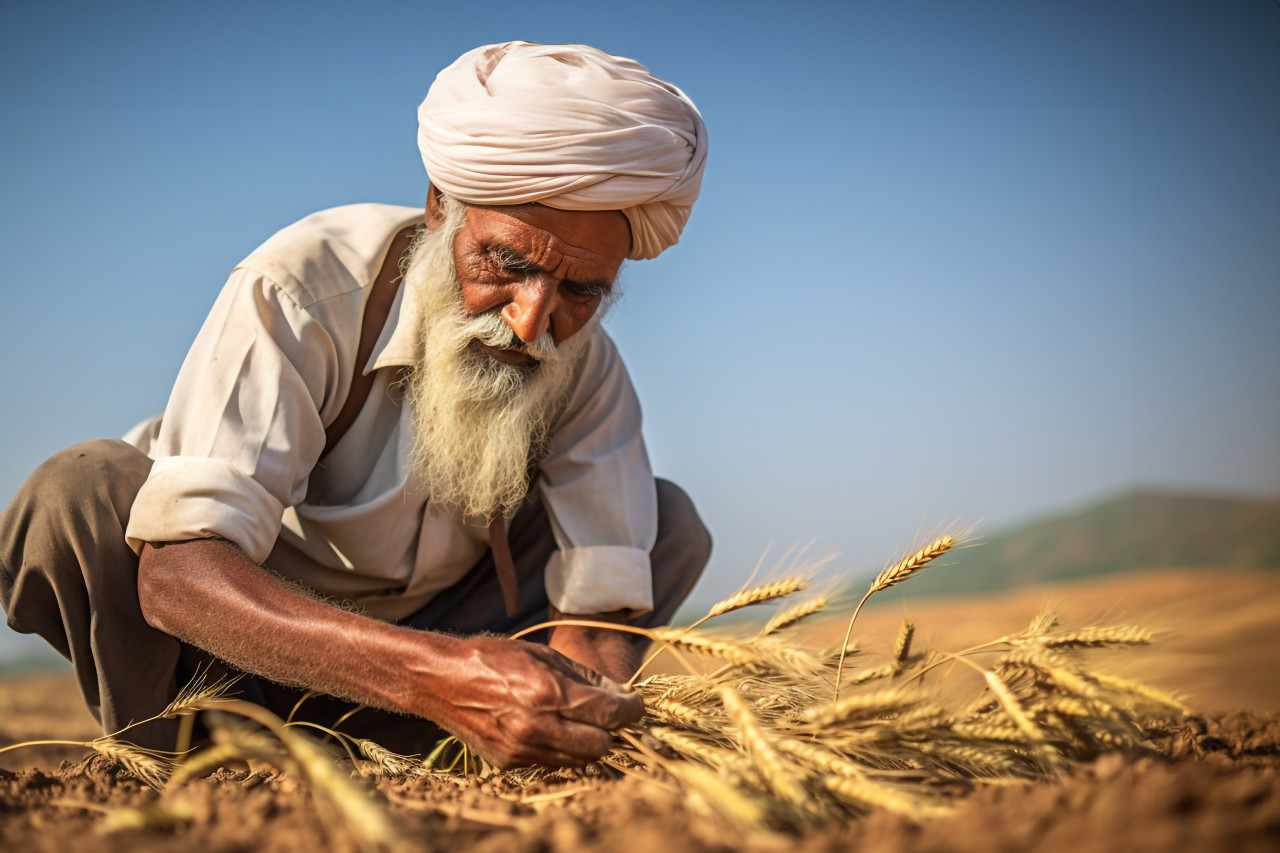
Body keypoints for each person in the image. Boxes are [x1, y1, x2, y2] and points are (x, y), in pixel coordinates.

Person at [0, 42, 711, 769]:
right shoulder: (302, 290)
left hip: (447, 653)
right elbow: (178, 572)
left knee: (666, 524)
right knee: (78, 492)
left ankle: (461, 749)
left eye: (580, 289)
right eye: (509, 262)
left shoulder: (582, 365)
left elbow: (604, 599)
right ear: (440, 209)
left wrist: (573, 711)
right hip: (238, 651)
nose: (532, 321)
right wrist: (437, 675)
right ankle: (176, 761)